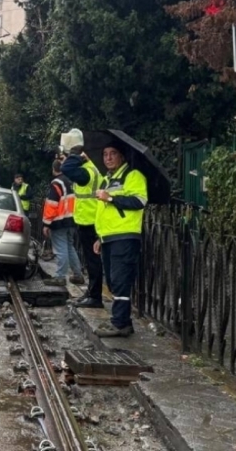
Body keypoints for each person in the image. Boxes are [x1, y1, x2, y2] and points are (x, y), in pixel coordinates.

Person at [93, 143, 147, 338]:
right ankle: (122, 321)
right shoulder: (107, 180)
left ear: (122, 156)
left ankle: (120, 323)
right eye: (105, 154)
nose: (108, 158)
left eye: (113, 153)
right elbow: (104, 214)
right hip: (109, 237)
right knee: (113, 282)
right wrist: (100, 237)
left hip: (125, 235)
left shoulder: (132, 176)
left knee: (120, 279)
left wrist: (110, 199)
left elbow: (139, 201)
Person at [61, 144, 104, 307]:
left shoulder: (86, 171)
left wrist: (79, 157)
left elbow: (66, 168)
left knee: (93, 261)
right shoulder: (91, 169)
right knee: (90, 261)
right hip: (86, 220)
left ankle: (95, 297)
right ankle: (92, 292)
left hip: (90, 221)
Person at [42, 160, 82, 287]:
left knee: (61, 249)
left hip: (59, 220)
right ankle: (78, 275)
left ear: (53, 169)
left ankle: (60, 277)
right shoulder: (71, 181)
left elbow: (52, 204)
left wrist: (47, 223)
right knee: (70, 247)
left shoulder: (57, 183)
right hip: (72, 219)